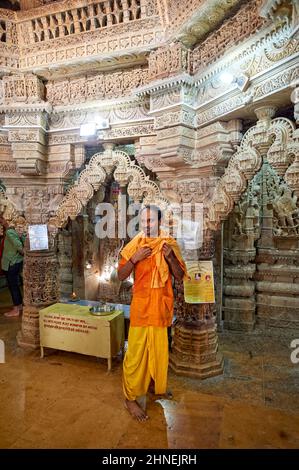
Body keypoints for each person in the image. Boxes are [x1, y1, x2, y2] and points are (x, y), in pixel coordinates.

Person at [118, 205, 187, 422]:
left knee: (157, 351)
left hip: (160, 308)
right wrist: (134, 259)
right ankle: (129, 398)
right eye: (143, 221)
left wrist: (171, 258)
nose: (147, 225)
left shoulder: (169, 244)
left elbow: (179, 275)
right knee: (135, 354)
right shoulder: (134, 245)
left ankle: (153, 386)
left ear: (159, 222)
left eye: (151, 221)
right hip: (141, 308)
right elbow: (120, 275)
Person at [0, 215, 25, 317]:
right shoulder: (16, 231)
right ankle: (18, 306)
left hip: (12, 262)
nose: (1, 222)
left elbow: (19, 246)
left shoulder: (10, 232)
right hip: (14, 261)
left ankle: (16, 309)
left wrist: (26, 254)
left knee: (13, 286)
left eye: (2, 220)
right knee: (14, 285)